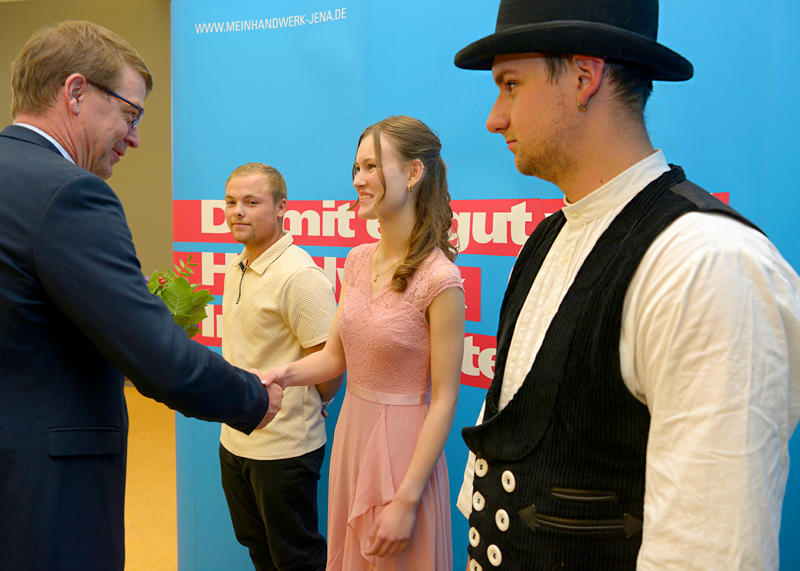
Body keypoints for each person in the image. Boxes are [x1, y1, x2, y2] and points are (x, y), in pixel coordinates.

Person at [453, 1, 800, 569]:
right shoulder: (547, 240)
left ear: (584, 77)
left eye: (511, 85)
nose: (495, 118)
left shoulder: (706, 264)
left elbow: (708, 550)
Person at [0, 21, 282, 571]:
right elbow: (156, 355)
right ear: (76, 92)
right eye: (130, 115)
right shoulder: (70, 194)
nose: (134, 138)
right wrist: (252, 396)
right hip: (48, 499)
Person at [263, 116, 465, 570]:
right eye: (356, 168)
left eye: (371, 167)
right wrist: (278, 375)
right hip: (352, 437)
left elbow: (445, 400)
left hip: (404, 456)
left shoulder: (440, 279)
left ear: (413, 173)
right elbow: (334, 357)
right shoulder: (356, 260)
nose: (358, 179)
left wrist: (407, 500)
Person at [218, 162, 343, 571]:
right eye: (231, 202)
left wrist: (313, 403)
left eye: (251, 202)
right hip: (235, 442)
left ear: (281, 208)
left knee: (297, 560)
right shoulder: (237, 265)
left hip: (284, 449)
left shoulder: (299, 275)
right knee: (258, 549)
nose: (238, 211)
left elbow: (330, 365)